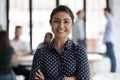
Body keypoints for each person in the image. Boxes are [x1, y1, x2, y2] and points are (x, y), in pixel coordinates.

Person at [29, 5, 90, 80]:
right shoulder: (40, 53)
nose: (61, 26)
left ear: (72, 24)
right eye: (56, 21)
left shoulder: (79, 51)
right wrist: (72, 78)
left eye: (66, 21)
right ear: (50, 23)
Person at [103, 7, 116, 72]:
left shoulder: (110, 19)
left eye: (104, 12)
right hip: (108, 40)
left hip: (109, 41)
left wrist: (104, 32)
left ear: (108, 12)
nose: (104, 13)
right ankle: (112, 71)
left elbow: (111, 30)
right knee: (110, 56)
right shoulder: (108, 19)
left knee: (112, 57)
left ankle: (113, 71)